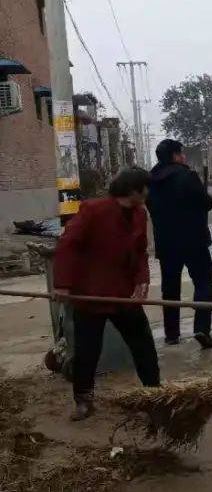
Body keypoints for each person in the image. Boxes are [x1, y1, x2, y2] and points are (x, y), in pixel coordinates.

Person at [53, 169, 161, 421]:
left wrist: (141, 281)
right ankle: (83, 400)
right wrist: (63, 284)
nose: (149, 192)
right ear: (134, 190)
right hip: (91, 295)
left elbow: (140, 252)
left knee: (143, 345)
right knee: (87, 351)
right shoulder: (93, 210)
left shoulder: (139, 213)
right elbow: (68, 244)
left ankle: (154, 393)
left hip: (123, 295)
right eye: (146, 187)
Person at [147, 139, 212, 348]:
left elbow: (150, 207)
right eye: (181, 153)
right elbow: (206, 202)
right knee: (204, 282)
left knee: (170, 288)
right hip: (194, 240)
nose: (184, 157)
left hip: (167, 243)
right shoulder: (187, 176)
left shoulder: (151, 181)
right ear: (175, 156)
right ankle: (201, 328)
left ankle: (171, 334)